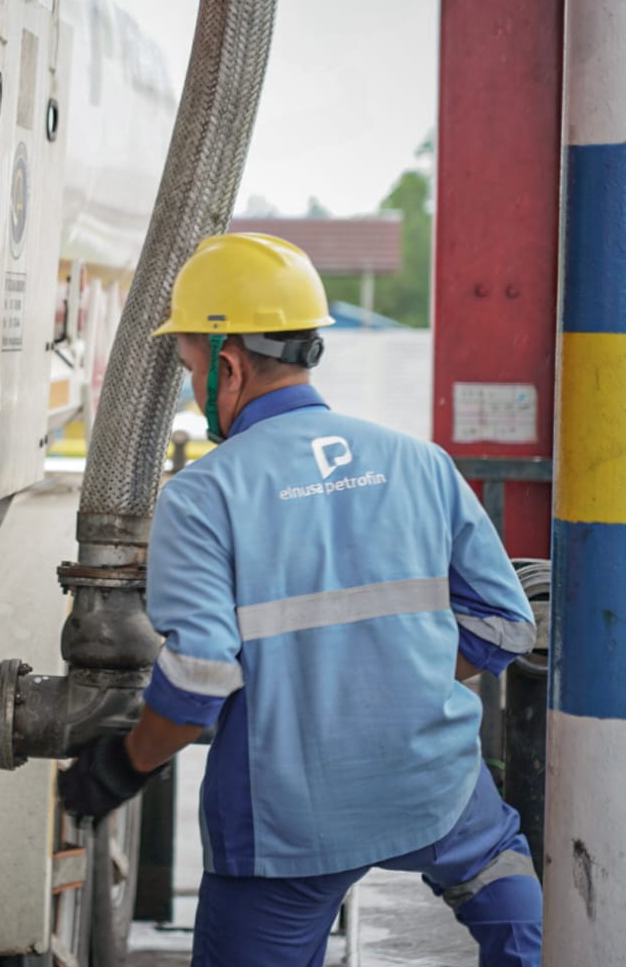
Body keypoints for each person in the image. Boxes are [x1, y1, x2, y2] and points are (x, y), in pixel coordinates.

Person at [58, 233, 542, 965]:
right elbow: (506, 627)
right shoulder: (420, 463)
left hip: (286, 819)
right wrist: (388, 681)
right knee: (506, 889)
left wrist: (121, 766)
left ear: (228, 363)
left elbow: (198, 684)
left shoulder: (202, 496)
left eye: (192, 367)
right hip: (432, 786)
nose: (196, 385)